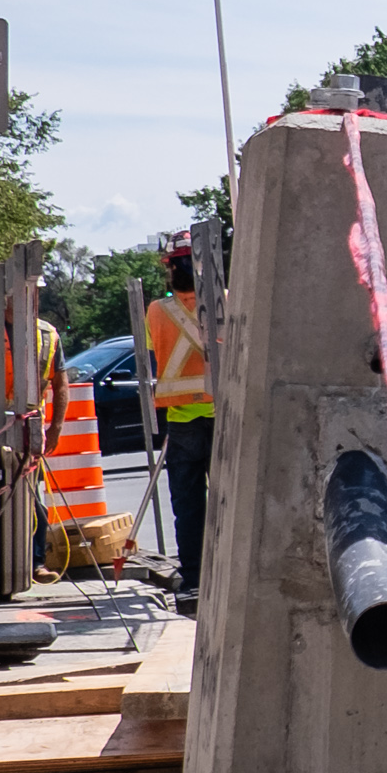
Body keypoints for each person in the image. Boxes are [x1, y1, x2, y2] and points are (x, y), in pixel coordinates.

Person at [141, 241, 219, 606]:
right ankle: (227, 569)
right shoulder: (226, 302)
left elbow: (153, 349)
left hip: (181, 421)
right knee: (228, 500)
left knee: (188, 505)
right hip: (222, 417)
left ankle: (193, 577)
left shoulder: (157, 310)